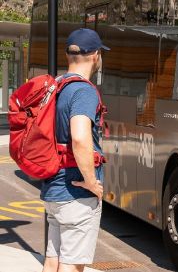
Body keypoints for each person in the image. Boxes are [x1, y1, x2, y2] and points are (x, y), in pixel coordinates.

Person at [41, 28, 109, 272]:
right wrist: (91, 182)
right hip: (76, 194)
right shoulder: (83, 91)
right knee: (71, 266)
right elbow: (80, 137)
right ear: (96, 56)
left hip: (53, 188)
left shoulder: (56, 85)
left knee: (53, 260)